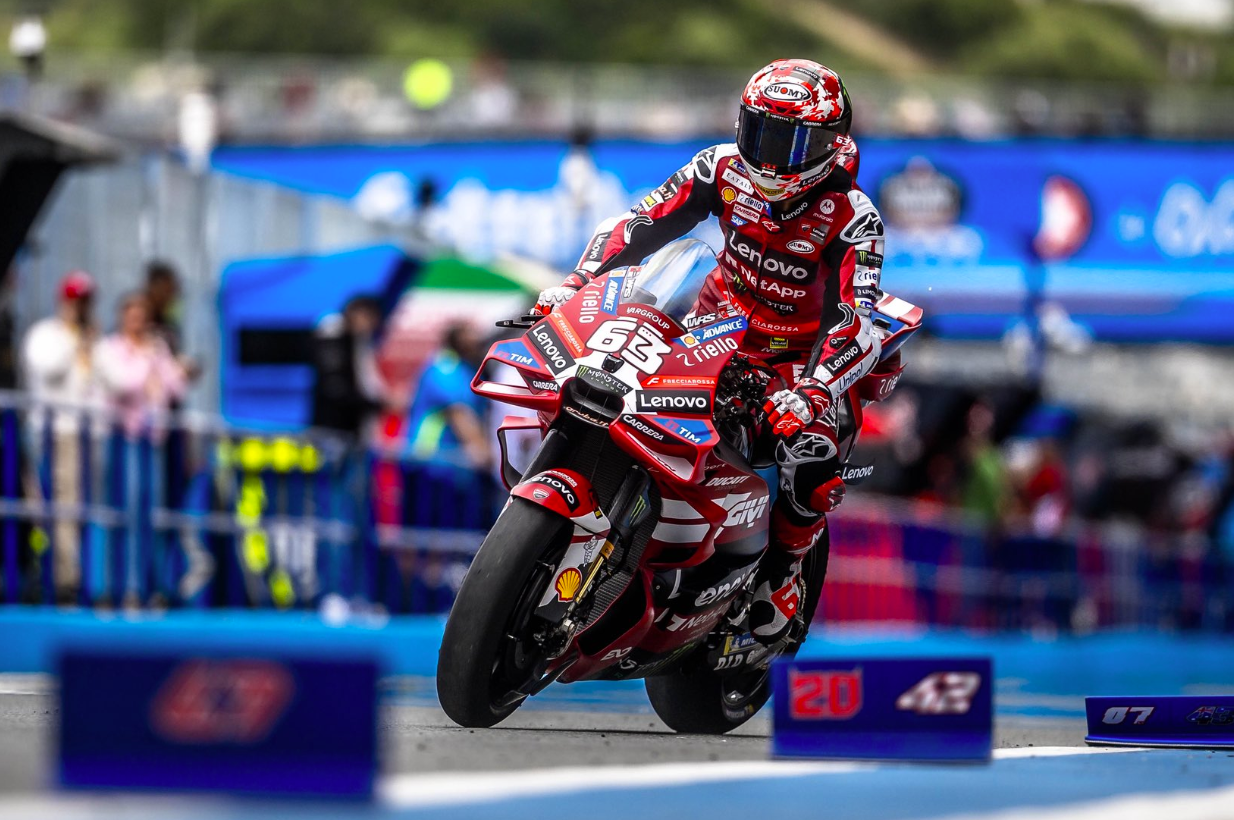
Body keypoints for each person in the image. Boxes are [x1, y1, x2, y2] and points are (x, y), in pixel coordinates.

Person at [534, 59, 904, 644]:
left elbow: (855, 320)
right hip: (710, 326)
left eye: (792, 142)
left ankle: (783, 573)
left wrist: (813, 390)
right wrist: (578, 283)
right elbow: (641, 222)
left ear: (830, 144)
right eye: (762, 132)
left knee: (811, 448)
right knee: (607, 374)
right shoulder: (720, 166)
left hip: (795, 359)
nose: (771, 157)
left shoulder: (855, 218)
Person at [21, 270, 98, 600]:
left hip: (88, 434)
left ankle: (79, 576)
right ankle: (64, 580)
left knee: (82, 509)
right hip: (56, 433)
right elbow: (48, 370)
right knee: (57, 507)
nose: (81, 308)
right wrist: (74, 339)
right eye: (75, 301)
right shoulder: (46, 335)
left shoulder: (91, 339)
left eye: (86, 301)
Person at [310, 295, 388, 438]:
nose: (371, 325)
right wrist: (373, 405)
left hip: (352, 424)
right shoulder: (332, 336)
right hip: (332, 424)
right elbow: (334, 386)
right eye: (369, 318)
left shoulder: (360, 341)